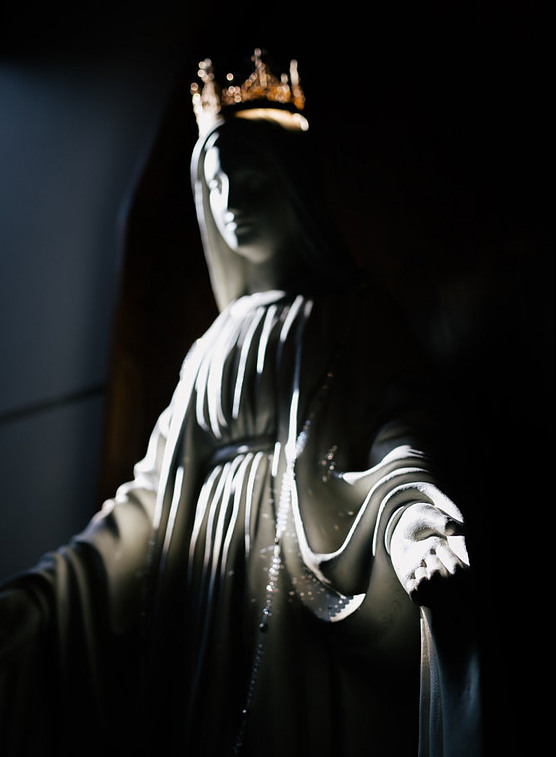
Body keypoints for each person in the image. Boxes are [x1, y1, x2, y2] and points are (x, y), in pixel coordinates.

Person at [0, 50, 481, 756]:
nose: (232, 200)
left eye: (249, 176)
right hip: (198, 582)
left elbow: (400, 428)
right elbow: (150, 501)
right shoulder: (209, 346)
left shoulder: (352, 314)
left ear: (292, 182)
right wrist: (46, 594)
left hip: (297, 563)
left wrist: (410, 518)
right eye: (217, 183)